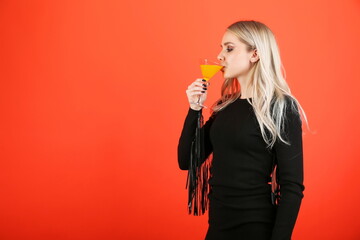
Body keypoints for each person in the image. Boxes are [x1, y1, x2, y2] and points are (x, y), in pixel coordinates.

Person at [177, 20, 308, 240]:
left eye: (229, 48)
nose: (220, 56)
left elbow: (292, 187)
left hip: (256, 228)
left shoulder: (281, 107)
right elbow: (186, 161)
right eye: (221, 48)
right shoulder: (224, 106)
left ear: (254, 54)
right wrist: (194, 109)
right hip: (218, 226)